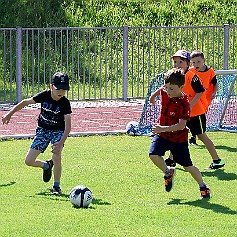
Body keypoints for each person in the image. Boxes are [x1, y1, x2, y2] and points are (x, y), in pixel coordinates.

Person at [2, 72, 72, 195]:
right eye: (58, 89)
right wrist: (9, 114)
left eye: (64, 89)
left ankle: (56, 186)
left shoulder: (65, 103)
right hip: (43, 130)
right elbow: (25, 102)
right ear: (51, 87)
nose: (61, 92)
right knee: (29, 161)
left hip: (58, 131)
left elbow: (68, 127)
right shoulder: (44, 95)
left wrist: (60, 143)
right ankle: (46, 166)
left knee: (57, 155)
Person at [149, 68, 210, 198]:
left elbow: (181, 126)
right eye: (167, 87)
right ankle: (168, 172)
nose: (168, 91)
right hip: (162, 134)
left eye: (172, 89)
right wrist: (153, 96)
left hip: (178, 138)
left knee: (188, 166)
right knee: (153, 155)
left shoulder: (184, 103)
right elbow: (162, 88)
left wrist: (161, 129)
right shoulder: (165, 91)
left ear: (181, 87)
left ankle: (203, 186)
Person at [165, 50, 224, 170]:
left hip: (196, 112)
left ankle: (217, 160)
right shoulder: (176, 76)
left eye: (180, 62)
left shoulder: (192, 76)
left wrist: (190, 105)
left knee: (202, 136)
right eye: (175, 62)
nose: (177, 64)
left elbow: (200, 91)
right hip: (182, 112)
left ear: (188, 64)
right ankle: (171, 160)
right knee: (177, 133)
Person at [189, 50, 218, 145]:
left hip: (205, 98)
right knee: (192, 116)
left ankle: (199, 134)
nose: (196, 64)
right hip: (195, 98)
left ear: (204, 60)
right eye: (193, 62)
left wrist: (214, 92)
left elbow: (215, 83)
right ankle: (193, 137)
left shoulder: (210, 71)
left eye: (198, 62)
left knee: (199, 116)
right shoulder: (191, 71)